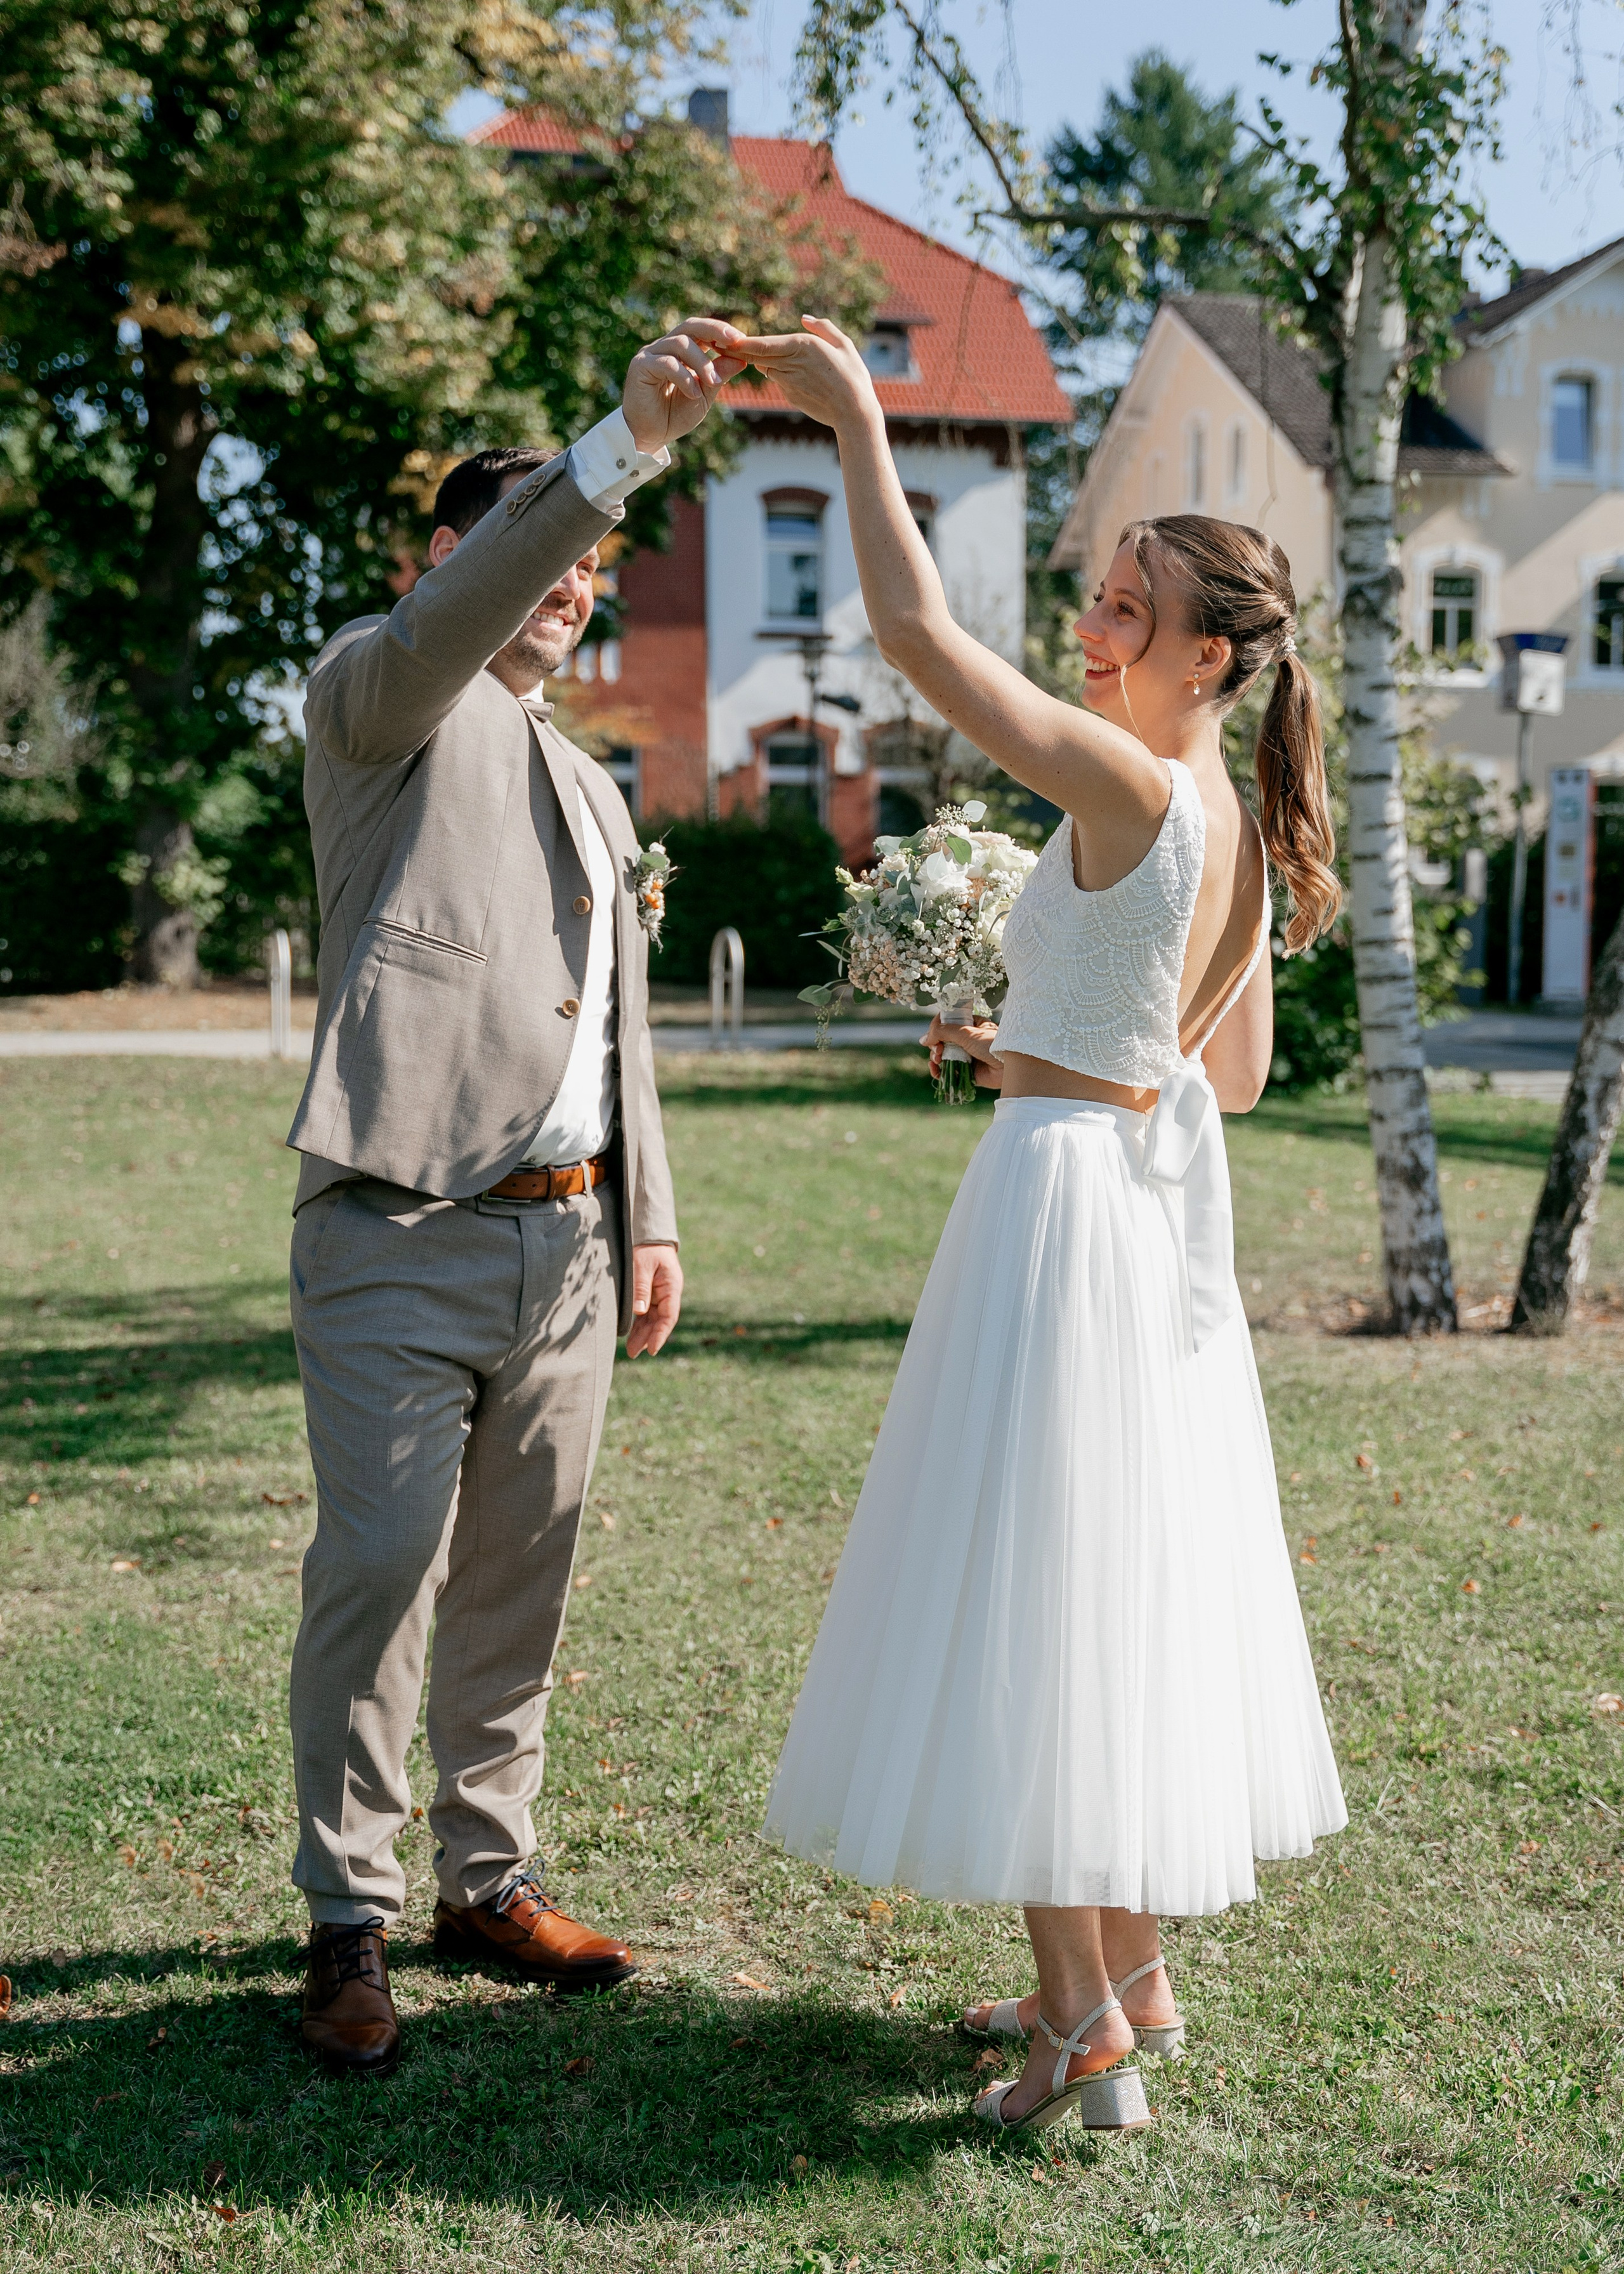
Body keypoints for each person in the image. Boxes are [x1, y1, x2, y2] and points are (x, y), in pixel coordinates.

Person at [748, 318, 1347, 2136]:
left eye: (1120, 603)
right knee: (1118, 1593)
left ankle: (1080, 2030)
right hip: (1142, 1220)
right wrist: (1030, 1047)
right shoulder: (1239, 826)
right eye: (1097, 594)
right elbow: (1216, 1076)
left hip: (1066, 1221)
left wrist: (855, 418)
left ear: (1208, 654)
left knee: (1028, 1593)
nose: (1089, 623)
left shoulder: (1127, 777)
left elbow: (922, 642)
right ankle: (1130, 1971)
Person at [283, 319, 745, 2077]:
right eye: (540, 554)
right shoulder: (380, 699)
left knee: (520, 1579)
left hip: (567, 1242)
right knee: (384, 1565)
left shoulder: (591, 783)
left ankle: (488, 1879)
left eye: (588, 568)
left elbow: (618, 1025)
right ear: (456, 566)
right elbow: (462, 616)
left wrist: (653, 1214)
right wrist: (605, 457)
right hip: (396, 1224)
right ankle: (348, 1921)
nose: (573, 584)